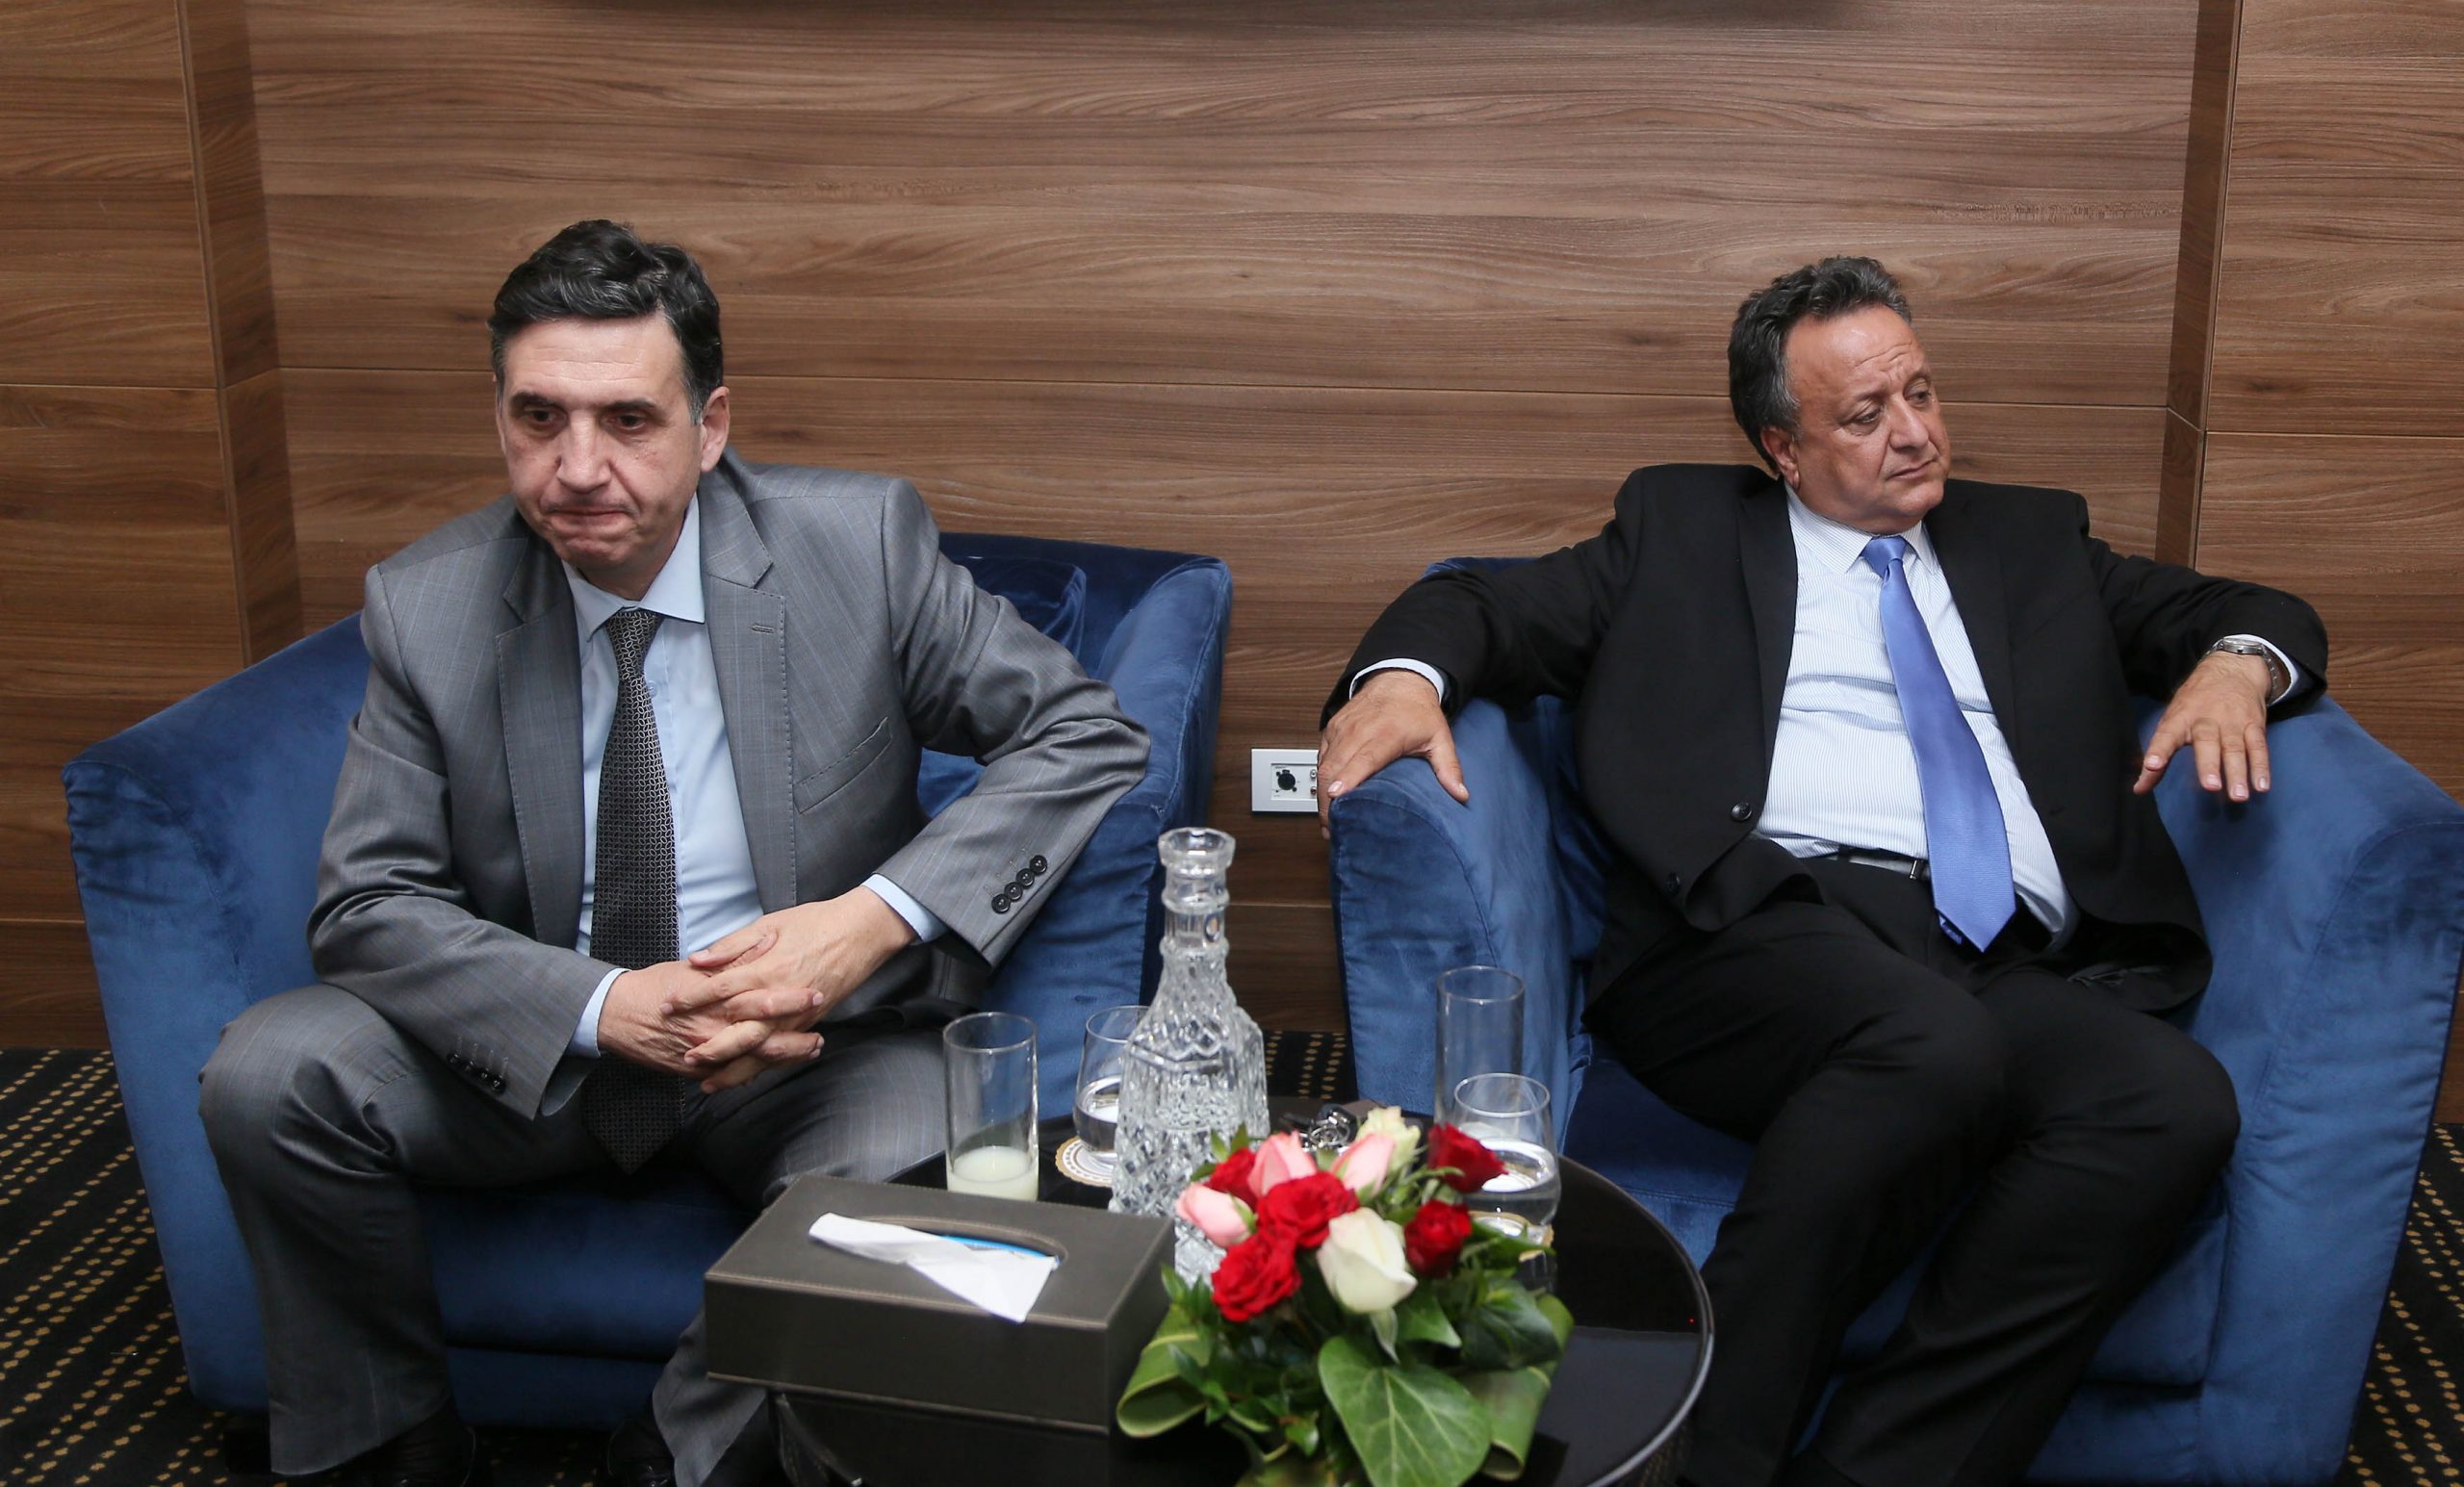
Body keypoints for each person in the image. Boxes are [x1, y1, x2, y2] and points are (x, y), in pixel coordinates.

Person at [1316, 256, 2326, 1487]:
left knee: (2170, 1100)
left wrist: (2235, 666)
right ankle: (1695, 1458)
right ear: (1783, 450)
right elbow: (1482, 603)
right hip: (1749, 927)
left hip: (1987, 952)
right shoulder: (1682, 531)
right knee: (1931, 1046)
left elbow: (2249, 608)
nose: (1915, 433)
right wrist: (1400, 683)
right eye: (1864, 415)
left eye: (1921, 392)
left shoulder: (2030, 540)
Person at [198, 220, 1149, 1487]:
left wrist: (868, 919)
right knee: (271, 1072)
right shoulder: (429, 606)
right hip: (542, 1044)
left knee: (928, 1167)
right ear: (499, 418)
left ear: (709, 426)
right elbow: (368, 901)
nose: (578, 467)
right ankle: (389, 1442)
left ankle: (672, 1454)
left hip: (805, 1046)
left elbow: (1082, 733)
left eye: (628, 420)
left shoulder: (855, 548)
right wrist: (603, 1007)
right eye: (539, 417)